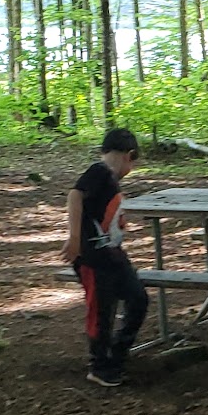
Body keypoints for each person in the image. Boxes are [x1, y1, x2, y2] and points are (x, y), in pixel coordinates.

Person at [63, 127, 149, 386]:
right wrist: (75, 239)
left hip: (113, 256)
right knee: (101, 310)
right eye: (133, 163)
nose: (130, 170)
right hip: (92, 257)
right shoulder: (99, 172)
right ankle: (99, 365)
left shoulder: (109, 178)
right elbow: (74, 195)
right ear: (129, 155)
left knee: (138, 298)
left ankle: (117, 353)